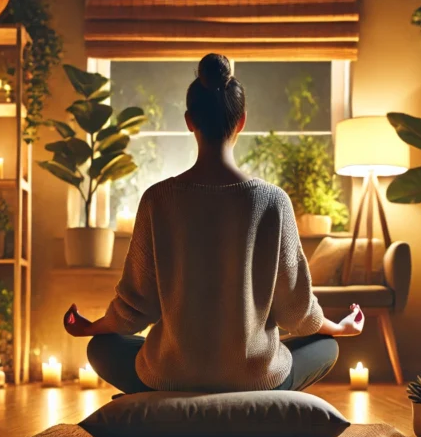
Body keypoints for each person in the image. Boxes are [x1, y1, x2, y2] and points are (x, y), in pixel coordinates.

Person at [63, 53, 364, 394]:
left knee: (100, 349)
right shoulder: (273, 201)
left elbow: (135, 308)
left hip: (173, 376)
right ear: (242, 121)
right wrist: (338, 328)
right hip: (253, 380)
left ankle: (172, 392)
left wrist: (93, 328)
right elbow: (297, 312)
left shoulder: (157, 199)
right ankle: (253, 395)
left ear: (190, 121)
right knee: (328, 348)